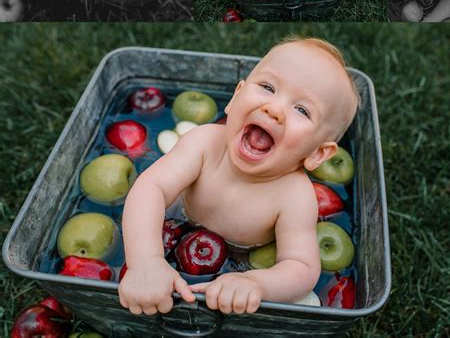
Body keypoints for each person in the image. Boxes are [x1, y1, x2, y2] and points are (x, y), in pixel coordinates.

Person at [118, 37, 359, 316]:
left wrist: (254, 282)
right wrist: (145, 260)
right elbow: (151, 188)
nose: (274, 109)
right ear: (235, 97)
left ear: (318, 154)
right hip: (173, 223)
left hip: (239, 260)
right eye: (268, 87)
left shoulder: (296, 196)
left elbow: (301, 268)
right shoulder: (205, 143)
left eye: (302, 110)